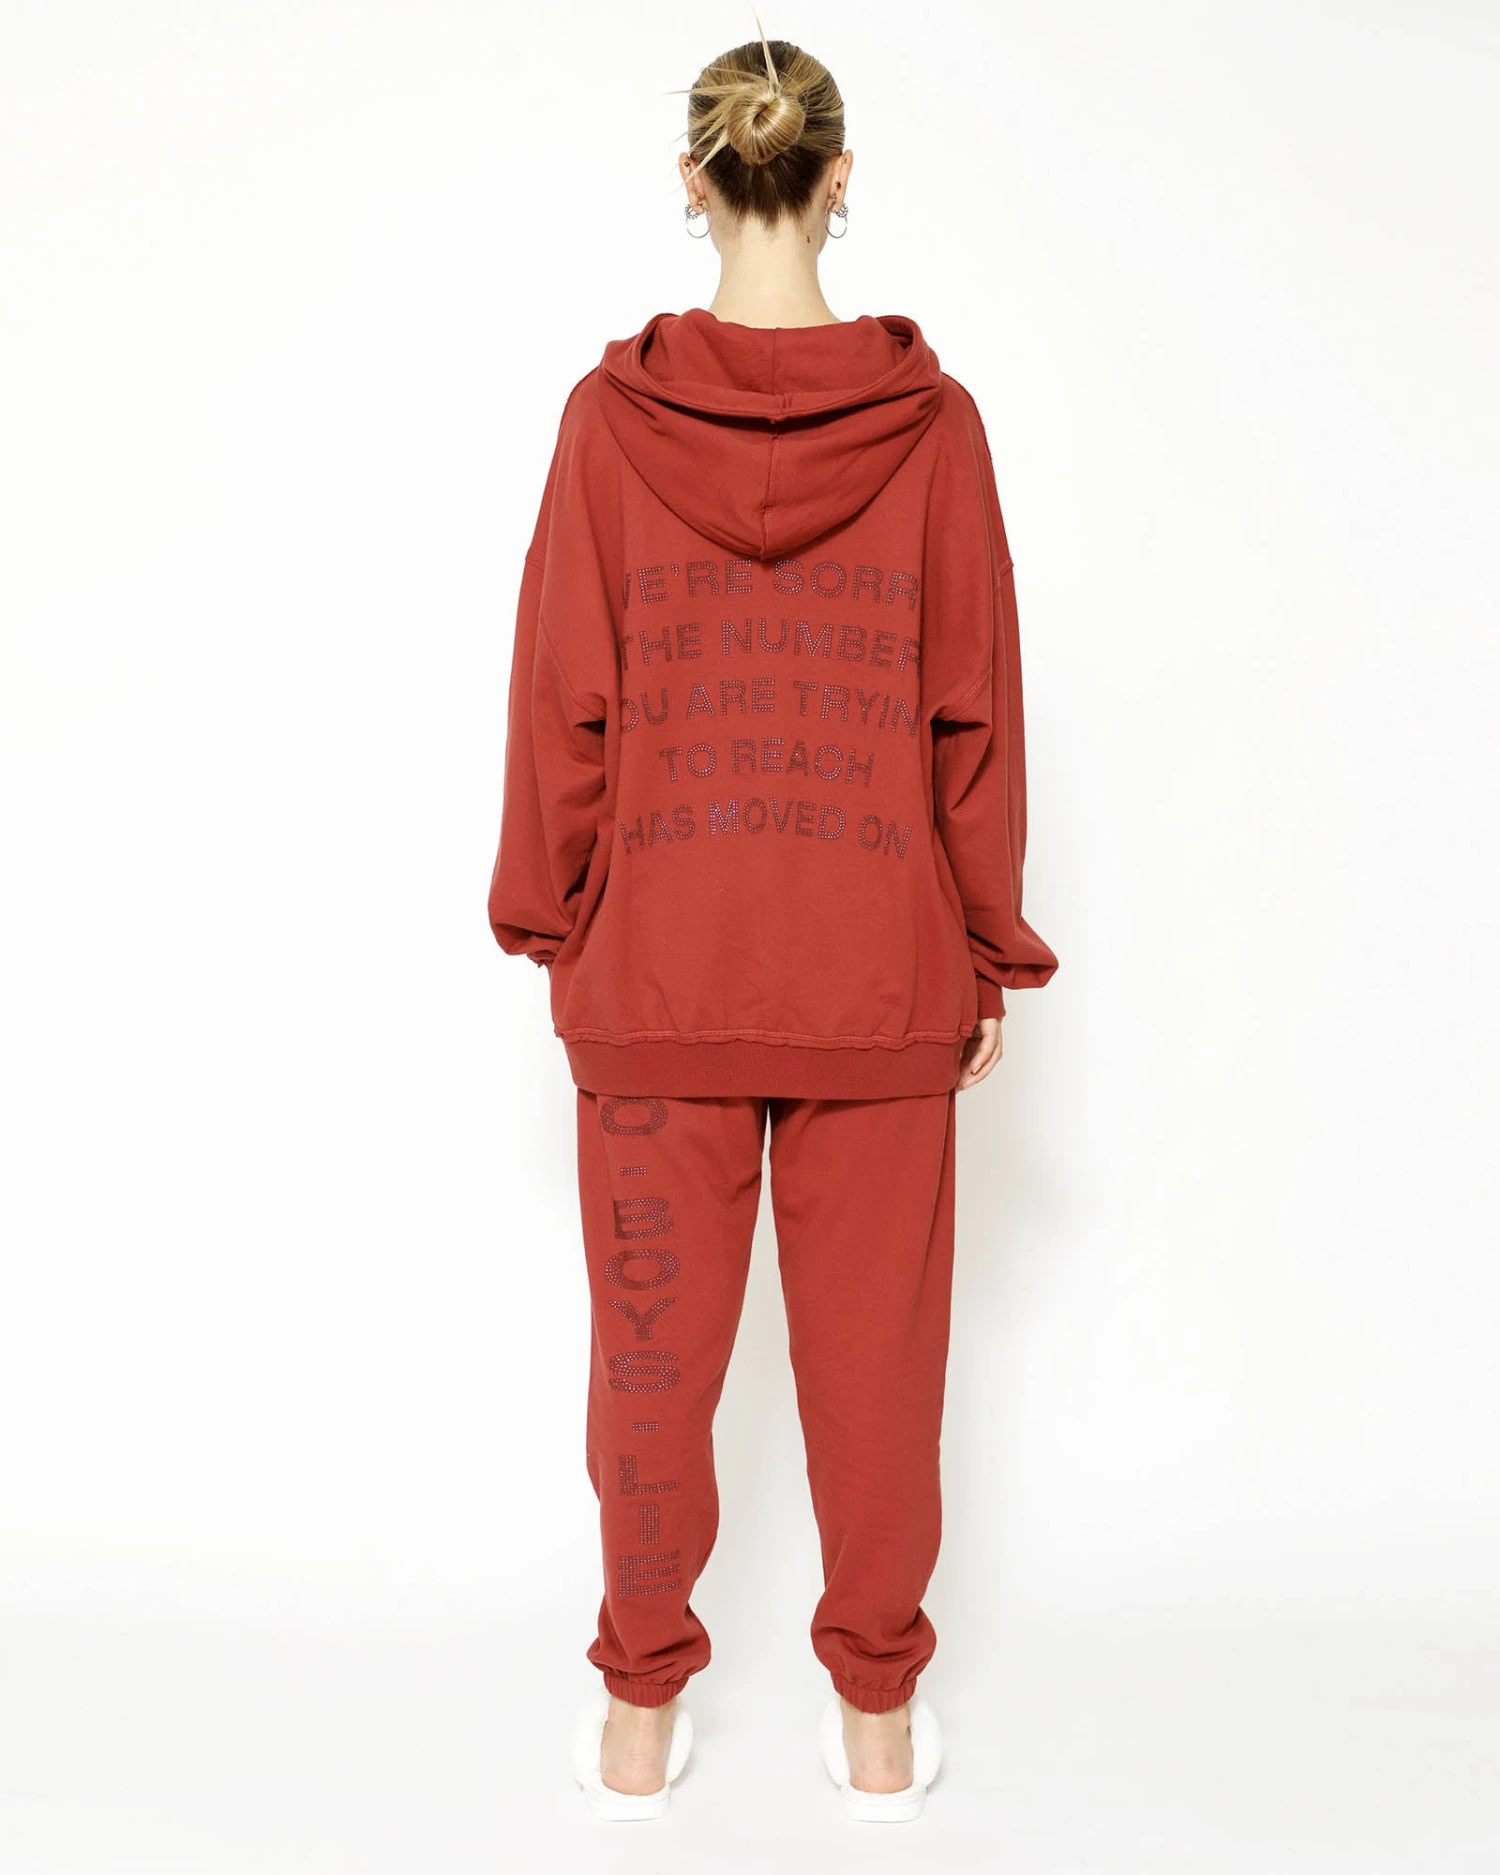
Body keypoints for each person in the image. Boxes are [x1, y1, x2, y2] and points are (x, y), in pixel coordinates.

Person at [487, 23, 1058, 1823]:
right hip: (880, 968)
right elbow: (971, 705)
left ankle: (638, 1714)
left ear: (695, 178)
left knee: (650, 1364)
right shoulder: (935, 431)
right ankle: (878, 1719)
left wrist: (551, 914)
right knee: (880, 1366)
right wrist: (987, 941)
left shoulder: (607, 427)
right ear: (837, 178)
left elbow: (564, 692)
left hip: (657, 966)